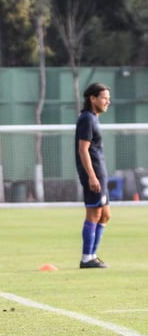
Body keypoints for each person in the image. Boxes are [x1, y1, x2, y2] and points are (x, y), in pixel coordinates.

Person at [75, 82, 111, 269]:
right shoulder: (87, 119)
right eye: (104, 98)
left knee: (105, 215)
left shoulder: (94, 118)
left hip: (99, 172)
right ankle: (87, 257)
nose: (108, 102)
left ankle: (93, 255)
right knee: (95, 213)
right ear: (93, 98)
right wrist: (91, 176)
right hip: (93, 174)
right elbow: (83, 149)